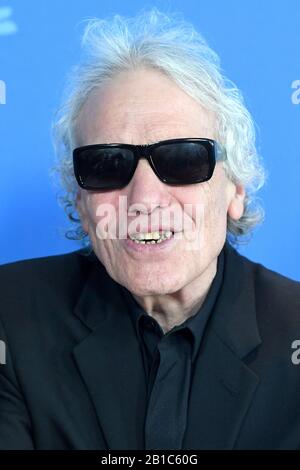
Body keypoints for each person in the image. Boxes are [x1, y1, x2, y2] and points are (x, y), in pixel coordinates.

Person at [0, 9, 299, 450]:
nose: (143, 200)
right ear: (81, 202)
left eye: (182, 160)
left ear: (236, 190)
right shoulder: (9, 316)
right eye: (108, 165)